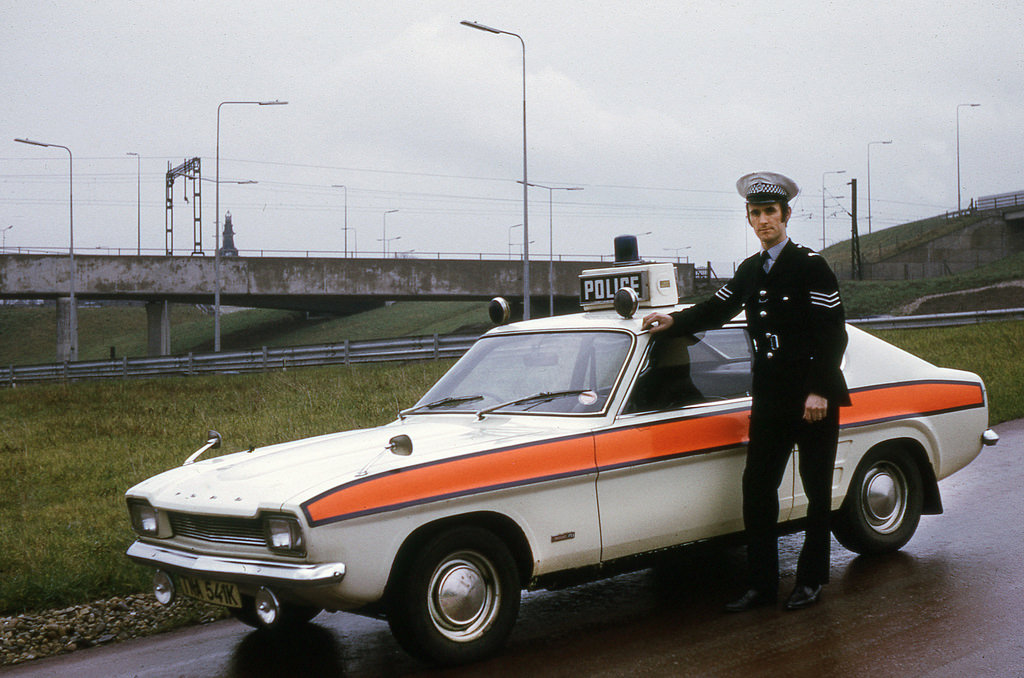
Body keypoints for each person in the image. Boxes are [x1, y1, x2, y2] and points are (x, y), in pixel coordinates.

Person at [642, 171, 851, 612]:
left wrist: (818, 391)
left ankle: (811, 581)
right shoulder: (750, 270)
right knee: (757, 489)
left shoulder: (811, 265)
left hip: (812, 398)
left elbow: (833, 334)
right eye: (755, 214)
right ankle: (760, 585)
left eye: (769, 212)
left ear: (786, 214)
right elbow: (717, 307)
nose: (762, 221)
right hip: (771, 396)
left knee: (816, 491)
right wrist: (674, 322)